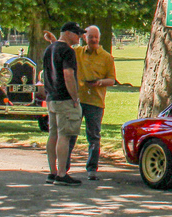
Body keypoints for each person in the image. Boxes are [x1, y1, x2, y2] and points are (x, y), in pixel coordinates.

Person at [44, 26, 119, 180]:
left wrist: (99, 82)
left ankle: (91, 168)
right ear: (85, 38)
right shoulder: (76, 52)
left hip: (95, 100)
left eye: (96, 37)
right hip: (76, 100)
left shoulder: (106, 57)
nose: (93, 40)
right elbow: (60, 51)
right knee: (69, 135)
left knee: (93, 135)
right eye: (90, 37)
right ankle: (64, 169)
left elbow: (112, 80)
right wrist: (53, 40)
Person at [42, 23, 84, 186]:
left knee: (53, 135)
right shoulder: (67, 51)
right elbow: (68, 75)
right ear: (67, 33)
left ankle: (52, 172)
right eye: (77, 33)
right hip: (64, 98)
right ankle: (61, 173)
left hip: (51, 97)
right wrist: (75, 97)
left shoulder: (50, 49)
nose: (79, 37)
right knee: (64, 135)